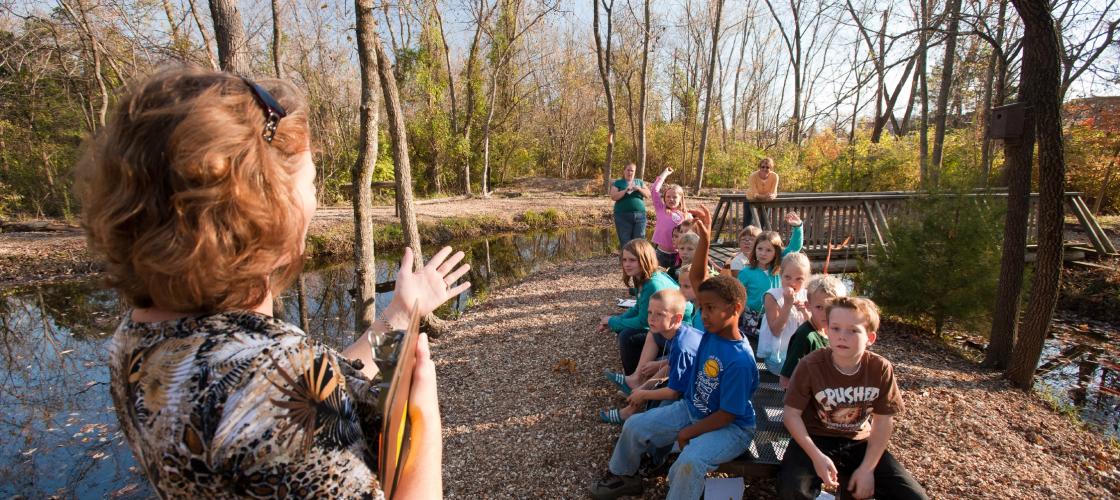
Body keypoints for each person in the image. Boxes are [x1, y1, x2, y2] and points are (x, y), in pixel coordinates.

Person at [77, 67, 462, 498]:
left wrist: (400, 313)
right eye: (312, 182)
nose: (315, 203)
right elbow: (292, 387)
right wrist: (423, 428)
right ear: (267, 209)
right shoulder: (277, 381)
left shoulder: (136, 340)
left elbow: (312, 381)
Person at [591, 275, 758, 500]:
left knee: (691, 461)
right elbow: (699, 276)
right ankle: (625, 477)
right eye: (701, 307)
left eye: (710, 308)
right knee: (634, 425)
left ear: (735, 309)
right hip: (693, 409)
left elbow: (727, 415)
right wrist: (704, 241)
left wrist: (689, 432)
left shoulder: (739, 361)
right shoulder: (712, 333)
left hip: (731, 429)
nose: (703, 315)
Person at [780, 297, 929, 500]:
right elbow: (791, 415)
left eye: (853, 330)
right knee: (792, 490)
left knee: (914, 496)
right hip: (815, 438)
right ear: (827, 330)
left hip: (858, 440)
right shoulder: (810, 365)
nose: (842, 336)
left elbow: (883, 421)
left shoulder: (880, 368)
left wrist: (868, 468)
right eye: (836, 328)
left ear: (870, 338)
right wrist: (816, 456)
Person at [599, 289, 703, 424]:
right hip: (690, 381)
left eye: (659, 314)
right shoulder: (678, 332)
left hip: (699, 397)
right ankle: (630, 409)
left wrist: (644, 394)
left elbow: (674, 392)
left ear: (677, 318)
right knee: (651, 377)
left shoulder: (682, 346)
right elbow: (670, 366)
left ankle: (634, 416)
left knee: (653, 412)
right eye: (649, 312)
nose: (651, 318)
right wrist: (644, 388)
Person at [600, 239, 679, 376]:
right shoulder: (642, 277)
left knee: (627, 336)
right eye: (624, 260)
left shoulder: (653, 284)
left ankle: (633, 379)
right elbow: (638, 308)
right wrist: (615, 320)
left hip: (676, 331)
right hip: (662, 324)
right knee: (623, 328)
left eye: (632, 260)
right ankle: (636, 372)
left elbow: (644, 321)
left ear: (644, 260)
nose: (627, 264)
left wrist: (613, 322)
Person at [736, 213, 805, 338]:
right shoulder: (746, 272)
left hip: (775, 312)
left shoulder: (777, 269)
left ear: (776, 253)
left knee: (773, 337)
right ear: (754, 249)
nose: (763, 253)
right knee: (753, 341)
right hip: (753, 315)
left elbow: (794, 248)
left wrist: (798, 227)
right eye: (760, 249)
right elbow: (737, 294)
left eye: (768, 250)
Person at [779, 275, 848, 389]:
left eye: (831, 308)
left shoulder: (834, 332)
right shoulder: (805, 337)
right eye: (819, 307)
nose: (825, 313)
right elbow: (785, 380)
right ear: (808, 306)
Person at [758, 252, 812, 375]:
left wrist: (804, 311)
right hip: (778, 357)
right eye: (787, 277)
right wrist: (787, 304)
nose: (792, 283)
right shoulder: (772, 296)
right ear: (781, 275)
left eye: (799, 279)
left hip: (803, 354)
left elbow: (814, 327)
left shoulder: (807, 295)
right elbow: (776, 330)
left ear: (806, 280)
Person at [650, 167, 690, 268]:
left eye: (675, 197)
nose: (671, 199)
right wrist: (665, 174)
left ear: (681, 198)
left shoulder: (686, 215)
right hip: (661, 254)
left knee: (676, 280)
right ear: (664, 198)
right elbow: (654, 190)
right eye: (668, 197)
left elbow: (691, 237)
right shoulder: (661, 209)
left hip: (679, 255)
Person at [609, 163, 652, 247]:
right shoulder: (618, 183)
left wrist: (639, 189)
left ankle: (639, 259)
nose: (630, 172)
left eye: (632, 170)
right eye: (628, 170)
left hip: (640, 216)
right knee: (625, 241)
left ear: (634, 172)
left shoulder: (639, 182)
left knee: (639, 241)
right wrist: (625, 190)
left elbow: (648, 195)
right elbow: (613, 196)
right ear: (624, 171)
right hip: (622, 216)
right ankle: (627, 259)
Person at [744, 157, 779, 227]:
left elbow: (774, 191)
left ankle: (762, 236)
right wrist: (765, 196)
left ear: (771, 168)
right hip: (751, 200)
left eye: (767, 167)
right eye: (763, 167)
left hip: (766, 200)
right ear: (759, 167)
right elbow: (755, 194)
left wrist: (772, 196)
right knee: (748, 222)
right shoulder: (753, 176)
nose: (765, 169)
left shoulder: (775, 176)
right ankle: (746, 236)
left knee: (764, 222)